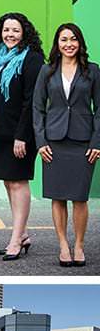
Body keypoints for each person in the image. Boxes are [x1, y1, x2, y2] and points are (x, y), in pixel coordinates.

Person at [0, 13, 45, 260]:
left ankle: (16, 239)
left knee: (18, 182)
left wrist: (22, 136)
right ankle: (21, 234)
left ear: (24, 32)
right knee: (8, 182)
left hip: (20, 135)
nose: (10, 35)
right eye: (6, 30)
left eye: (15, 30)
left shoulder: (31, 59)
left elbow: (31, 101)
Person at [33, 22, 99, 267]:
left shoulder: (92, 70)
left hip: (83, 142)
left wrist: (97, 141)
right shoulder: (47, 71)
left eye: (73, 39)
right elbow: (37, 108)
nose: (69, 44)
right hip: (54, 141)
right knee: (58, 197)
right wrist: (40, 142)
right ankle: (63, 244)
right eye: (64, 39)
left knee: (79, 198)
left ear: (79, 42)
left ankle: (79, 245)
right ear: (57, 44)